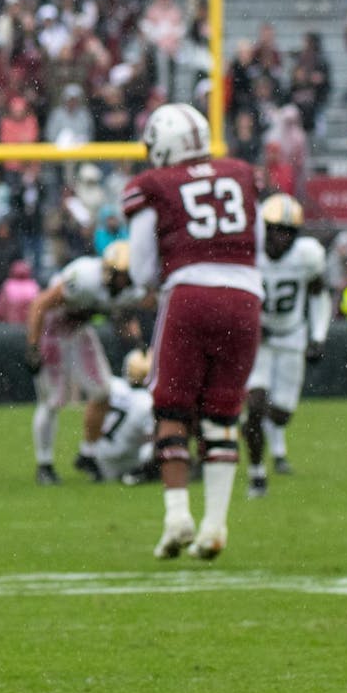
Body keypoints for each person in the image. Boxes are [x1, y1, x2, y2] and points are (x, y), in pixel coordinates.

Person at [124, 102, 264, 561]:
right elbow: (256, 244)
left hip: (189, 294)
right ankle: (215, 524)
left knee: (171, 407)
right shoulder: (241, 173)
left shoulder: (154, 185)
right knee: (223, 415)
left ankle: (177, 515)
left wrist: (155, 283)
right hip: (245, 297)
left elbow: (143, 264)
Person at [24, 240, 140, 485]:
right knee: (53, 401)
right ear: (109, 271)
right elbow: (40, 304)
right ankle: (44, 465)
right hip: (52, 330)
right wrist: (33, 346)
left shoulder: (129, 289)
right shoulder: (85, 277)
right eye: (123, 275)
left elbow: (119, 309)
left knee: (103, 392)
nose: (126, 281)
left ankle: (87, 454)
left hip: (78, 330)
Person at [241, 194, 330, 500]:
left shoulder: (307, 256)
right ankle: (256, 474)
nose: (281, 238)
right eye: (276, 229)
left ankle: (258, 429)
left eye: (288, 232)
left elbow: (319, 295)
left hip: (292, 335)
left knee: (280, 415)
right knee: (255, 405)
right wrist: (250, 321)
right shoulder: (249, 254)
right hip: (259, 340)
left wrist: (318, 335)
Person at [93, 348, 158, 484]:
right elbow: (149, 446)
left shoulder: (114, 385)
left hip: (100, 455)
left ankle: (86, 454)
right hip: (127, 460)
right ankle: (139, 474)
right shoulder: (148, 402)